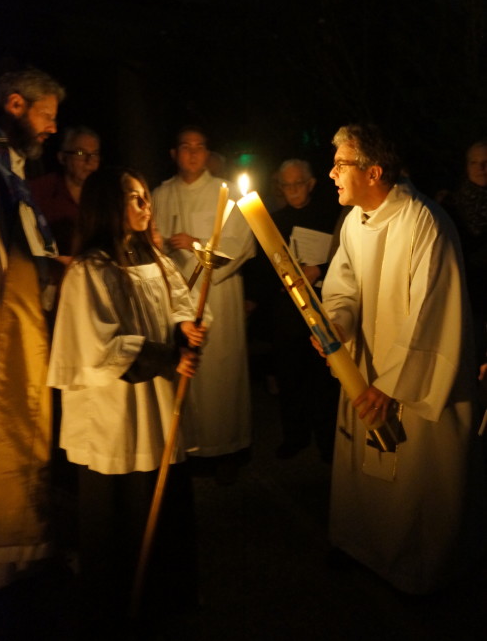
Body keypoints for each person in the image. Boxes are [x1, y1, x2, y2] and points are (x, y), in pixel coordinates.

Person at [312, 123, 485, 594]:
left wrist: (389, 385)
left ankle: (417, 567)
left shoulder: (424, 222)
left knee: (416, 479)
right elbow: (342, 287)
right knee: (363, 475)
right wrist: (338, 323)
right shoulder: (354, 223)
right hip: (365, 364)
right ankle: (362, 545)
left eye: (341, 164)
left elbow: (433, 312)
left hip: (411, 378)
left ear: (373, 172)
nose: (331, 174)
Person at [47, 167, 206, 632]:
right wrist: (169, 356)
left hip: (157, 405)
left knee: (164, 505)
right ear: (107, 206)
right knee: (122, 513)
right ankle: (117, 604)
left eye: (144, 197)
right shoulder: (90, 271)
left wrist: (186, 328)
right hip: (115, 415)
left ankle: (167, 595)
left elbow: (181, 301)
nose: (145, 205)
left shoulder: (153, 257)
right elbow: (99, 347)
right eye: (134, 198)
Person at [0, 66, 65, 592]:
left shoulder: (11, 171)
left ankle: (19, 558)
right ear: (16, 106)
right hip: (1, 336)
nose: (52, 128)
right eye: (46, 116)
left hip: (25, 330)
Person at [152, 126, 255, 479]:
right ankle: (188, 446)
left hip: (219, 295)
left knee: (221, 374)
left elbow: (241, 244)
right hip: (177, 296)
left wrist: (197, 244)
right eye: (186, 147)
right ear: (174, 153)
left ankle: (228, 448)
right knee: (188, 373)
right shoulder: (160, 194)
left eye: (200, 147)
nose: (193, 153)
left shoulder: (223, 194)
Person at [247, 159, 341, 460]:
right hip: (287, 311)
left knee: (324, 377)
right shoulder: (273, 221)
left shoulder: (332, 216)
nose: (292, 190)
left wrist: (319, 270)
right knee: (289, 374)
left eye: (298, 183)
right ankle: (295, 435)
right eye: (286, 185)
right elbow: (264, 266)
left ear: (311, 184)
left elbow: (345, 257)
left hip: (324, 303)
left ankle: (328, 440)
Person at [442, 140, 487, 370]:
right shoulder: (450, 206)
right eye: (475, 163)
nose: (481, 168)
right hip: (465, 297)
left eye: (486, 163)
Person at [29, 125, 101, 260]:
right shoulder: (40, 191)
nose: (89, 161)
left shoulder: (104, 195)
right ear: (62, 158)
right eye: (80, 153)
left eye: (94, 154)